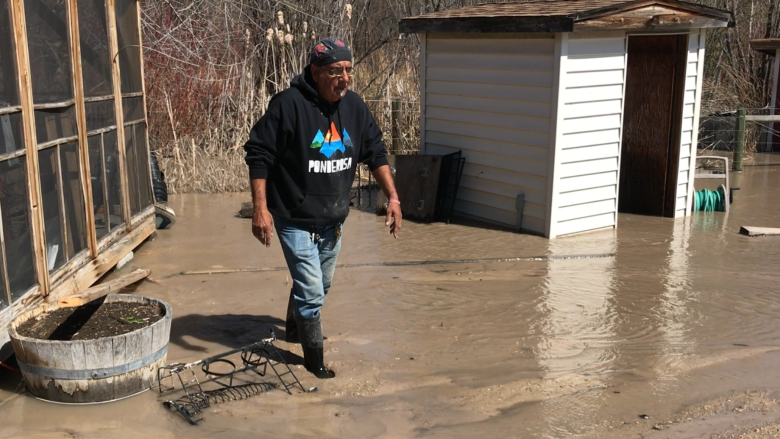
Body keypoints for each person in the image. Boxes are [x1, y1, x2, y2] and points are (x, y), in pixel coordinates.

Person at [243, 37, 402, 379]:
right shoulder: (288, 105)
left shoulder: (355, 108)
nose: (344, 78)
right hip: (294, 218)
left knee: (318, 287)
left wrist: (393, 197)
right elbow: (259, 154)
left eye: (348, 70)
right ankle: (313, 364)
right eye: (334, 71)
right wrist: (260, 208)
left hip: (333, 221)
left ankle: (294, 329)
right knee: (313, 292)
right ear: (315, 72)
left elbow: (375, 152)